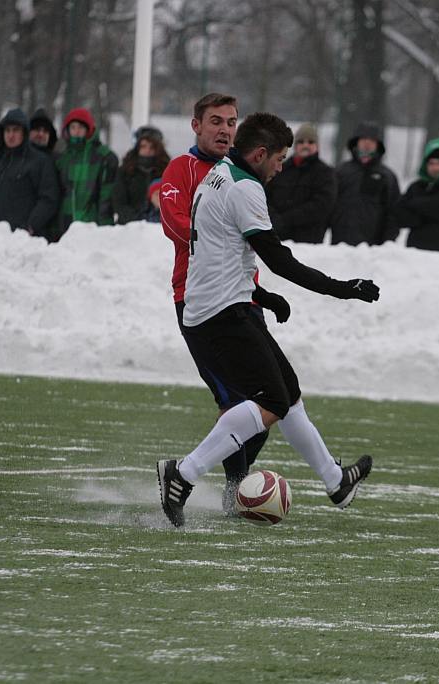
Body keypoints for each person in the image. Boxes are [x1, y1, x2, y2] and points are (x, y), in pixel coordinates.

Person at [157, 112, 380, 528]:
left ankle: (336, 482)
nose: (282, 166)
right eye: (279, 158)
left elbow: (218, 251)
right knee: (271, 402)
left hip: (226, 304)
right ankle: (182, 475)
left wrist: (261, 295)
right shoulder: (244, 187)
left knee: (288, 393)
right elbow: (279, 260)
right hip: (217, 315)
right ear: (260, 154)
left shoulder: (221, 173)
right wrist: (342, 289)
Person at [160, 93, 286, 511]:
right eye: (216, 121)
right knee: (241, 401)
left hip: (243, 299)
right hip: (200, 300)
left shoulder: (240, 170)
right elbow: (177, 225)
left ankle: (232, 489)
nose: (225, 129)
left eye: (232, 122)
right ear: (196, 125)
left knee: (270, 402)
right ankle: (223, 488)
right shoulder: (183, 169)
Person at [0, 108, 60, 239]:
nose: (11, 135)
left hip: (24, 240)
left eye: (15, 130)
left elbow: (49, 198)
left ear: (24, 132)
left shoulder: (40, 161)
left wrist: (30, 226)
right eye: (7, 130)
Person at [330, 121, 400, 246]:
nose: (367, 143)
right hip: (340, 244)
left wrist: (388, 243)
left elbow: (394, 213)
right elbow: (329, 205)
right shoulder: (340, 172)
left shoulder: (387, 176)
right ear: (356, 142)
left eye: (372, 140)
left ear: (378, 144)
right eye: (363, 139)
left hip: (372, 248)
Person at [265, 123, 337, 243]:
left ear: (317, 146)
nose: (305, 145)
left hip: (308, 244)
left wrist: (286, 219)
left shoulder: (325, 173)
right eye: (301, 142)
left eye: (310, 142)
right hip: (278, 240)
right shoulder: (280, 168)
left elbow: (322, 205)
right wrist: (274, 218)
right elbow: (265, 196)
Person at [54, 107, 118, 240]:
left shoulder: (103, 156)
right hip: (66, 223)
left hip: (92, 224)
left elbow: (106, 195)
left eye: (80, 128)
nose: (76, 132)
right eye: (73, 127)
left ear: (88, 129)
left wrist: (105, 227)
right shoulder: (62, 158)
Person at [113, 125, 169, 224]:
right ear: (137, 148)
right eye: (143, 146)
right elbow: (119, 202)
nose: (147, 150)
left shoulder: (167, 171)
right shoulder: (125, 171)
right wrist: (137, 220)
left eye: (152, 147)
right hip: (128, 227)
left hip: (157, 227)